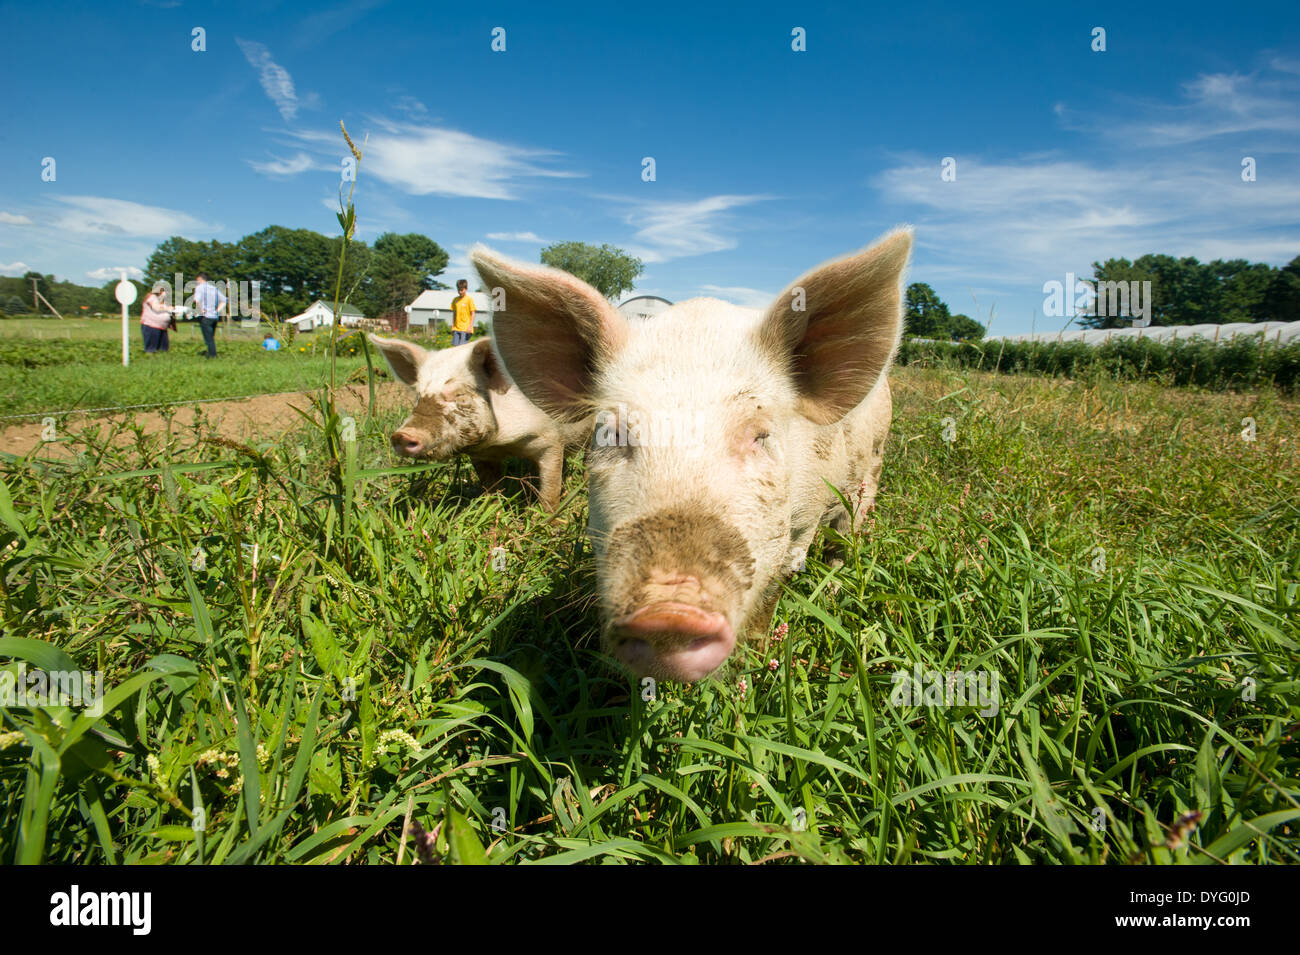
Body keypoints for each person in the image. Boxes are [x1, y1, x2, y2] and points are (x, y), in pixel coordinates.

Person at [193, 273, 227, 358]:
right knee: (211, 338)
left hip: (206, 317)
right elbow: (224, 300)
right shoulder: (214, 288)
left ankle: (212, 356)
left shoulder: (199, 288)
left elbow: (197, 301)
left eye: (197, 280)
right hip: (215, 317)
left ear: (200, 279)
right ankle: (211, 353)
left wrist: (201, 310)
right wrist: (217, 310)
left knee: (208, 339)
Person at [140, 283, 172, 353]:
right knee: (151, 349)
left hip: (161, 326)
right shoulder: (151, 297)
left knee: (163, 348)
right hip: (151, 325)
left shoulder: (159, 299)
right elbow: (156, 308)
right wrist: (169, 308)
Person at [450, 279, 475, 346]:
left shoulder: (469, 299)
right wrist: (453, 325)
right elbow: (454, 313)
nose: (460, 292)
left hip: (466, 328)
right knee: (455, 347)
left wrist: (470, 326)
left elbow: (473, 313)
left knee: (462, 348)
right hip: (456, 328)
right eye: (458, 290)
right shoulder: (455, 300)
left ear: (466, 289)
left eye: (462, 290)